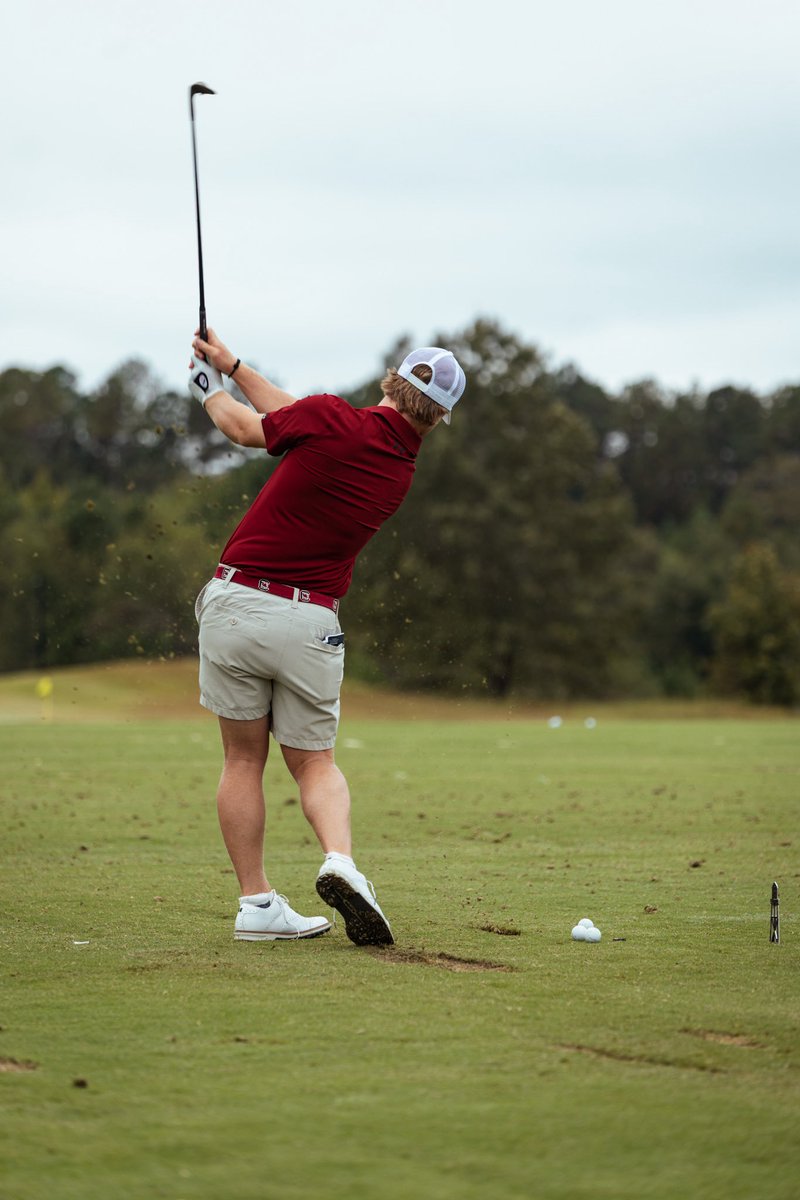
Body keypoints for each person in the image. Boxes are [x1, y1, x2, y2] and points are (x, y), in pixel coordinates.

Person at [188, 329, 466, 947]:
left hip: (235, 604)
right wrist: (232, 364)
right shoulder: (397, 470)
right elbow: (294, 416)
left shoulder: (330, 418)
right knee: (314, 763)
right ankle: (340, 860)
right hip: (310, 621)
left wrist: (210, 390)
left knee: (241, 760)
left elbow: (244, 426)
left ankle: (256, 902)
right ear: (439, 416)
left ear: (391, 381)